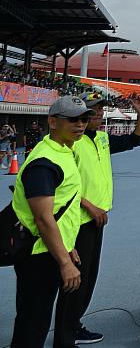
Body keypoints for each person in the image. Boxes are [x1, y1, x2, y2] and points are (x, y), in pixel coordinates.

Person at [54, 91, 140, 344]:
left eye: (101, 109)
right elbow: (63, 184)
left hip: (97, 220)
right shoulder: (72, 141)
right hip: (78, 220)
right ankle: (65, 335)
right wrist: (90, 206)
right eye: (94, 110)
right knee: (74, 281)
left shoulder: (103, 138)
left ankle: (74, 324)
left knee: (88, 279)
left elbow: (134, 141)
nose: (100, 114)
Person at [10, 96, 94, 348]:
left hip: (50, 250)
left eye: (83, 119)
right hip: (39, 254)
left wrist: (68, 244)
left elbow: (60, 207)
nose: (80, 125)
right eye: (72, 119)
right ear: (53, 121)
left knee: (37, 320)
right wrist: (65, 262)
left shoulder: (62, 151)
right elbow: (44, 219)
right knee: (32, 324)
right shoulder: (44, 162)